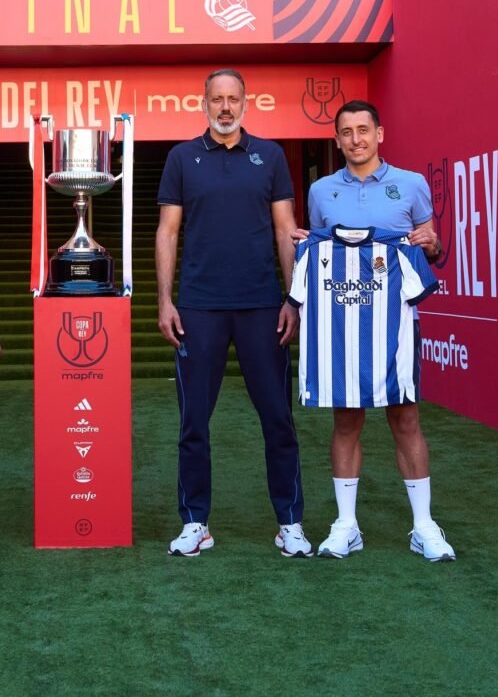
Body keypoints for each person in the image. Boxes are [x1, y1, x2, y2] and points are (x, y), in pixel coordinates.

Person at [155, 68, 310, 558]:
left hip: (262, 305)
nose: (225, 107)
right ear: (203, 103)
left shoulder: (271, 155)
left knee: (278, 418)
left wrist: (293, 298)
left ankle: (290, 523)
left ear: (246, 103)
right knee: (193, 422)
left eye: (233, 99)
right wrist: (165, 300)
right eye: (217, 99)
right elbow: (168, 232)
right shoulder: (182, 158)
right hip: (199, 306)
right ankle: (195, 522)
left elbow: (285, 229)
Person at [298, 99, 456, 562]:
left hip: (396, 323)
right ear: (337, 140)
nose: (356, 139)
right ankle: (346, 525)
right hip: (342, 326)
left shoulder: (411, 184)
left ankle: (423, 526)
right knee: (346, 420)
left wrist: (432, 243)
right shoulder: (321, 191)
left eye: (363, 130)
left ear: (379, 134)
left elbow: (433, 248)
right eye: (346, 132)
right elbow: (320, 250)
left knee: (405, 418)